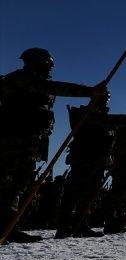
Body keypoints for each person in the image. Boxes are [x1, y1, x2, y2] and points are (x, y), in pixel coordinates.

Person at [0, 48, 107, 243]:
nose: (52, 66)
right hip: (11, 143)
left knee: (19, 185)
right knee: (7, 185)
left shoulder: (37, 82)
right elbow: (55, 87)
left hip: (29, 144)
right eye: (48, 62)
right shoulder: (21, 79)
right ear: (34, 62)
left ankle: (9, 227)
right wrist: (89, 91)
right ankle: (5, 227)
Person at [56, 96, 126, 238]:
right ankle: (64, 227)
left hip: (99, 163)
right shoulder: (85, 113)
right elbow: (105, 121)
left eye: (106, 101)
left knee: (89, 197)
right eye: (102, 100)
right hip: (83, 160)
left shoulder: (107, 119)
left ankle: (81, 225)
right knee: (74, 194)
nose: (105, 103)